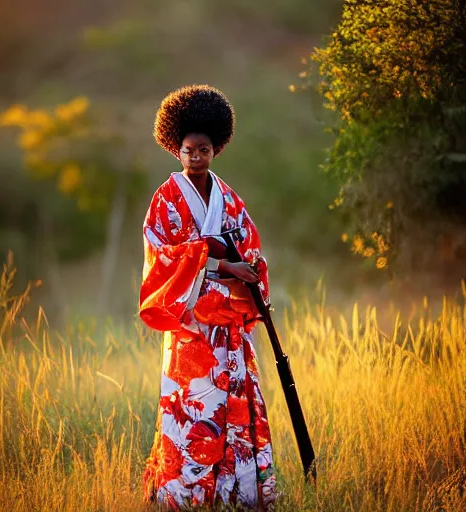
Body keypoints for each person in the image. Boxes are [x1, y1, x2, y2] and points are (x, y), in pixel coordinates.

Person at [140, 84, 276, 510]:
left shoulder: (229, 198)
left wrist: (248, 266)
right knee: (192, 411)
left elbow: (250, 246)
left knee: (236, 407)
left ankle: (240, 494)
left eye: (203, 150)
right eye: (188, 150)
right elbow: (162, 255)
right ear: (174, 149)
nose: (196, 157)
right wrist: (216, 261)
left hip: (230, 324)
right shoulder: (165, 200)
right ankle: (186, 497)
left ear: (216, 148)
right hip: (191, 324)